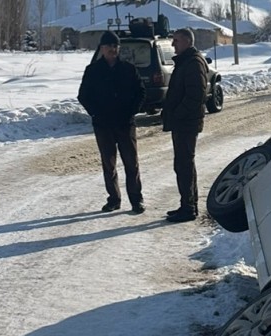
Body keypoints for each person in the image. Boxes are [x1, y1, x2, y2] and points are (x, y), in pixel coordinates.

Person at [77, 30, 146, 213]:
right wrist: (95, 114)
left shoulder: (128, 69)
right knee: (109, 164)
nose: (112, 49)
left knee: (131, 163)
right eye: (109, 46)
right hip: (103, 126)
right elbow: (83, 96)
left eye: (115, 46)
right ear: (102, 48)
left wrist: (131, 112)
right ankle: (114, 199)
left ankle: (136, 200)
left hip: (125, 124)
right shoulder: (93, 71)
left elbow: (141, 92)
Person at [160, 27, 209, 223]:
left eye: (177, 40)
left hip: (187, 123)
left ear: (188, 42)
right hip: (183, 122)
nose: (173, 44)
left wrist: (177, 114)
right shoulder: (186, 62)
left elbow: (195, 96)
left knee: (184, 164)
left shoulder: (193, 63)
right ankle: (187, 204)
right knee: (183, 164)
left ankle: (188, 208)